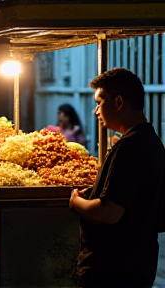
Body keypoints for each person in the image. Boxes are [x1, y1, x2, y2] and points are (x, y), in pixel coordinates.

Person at [69, 68, 165, 288]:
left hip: (113, 270)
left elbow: (109, 212)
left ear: (119, 102)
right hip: (137, 264)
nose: (96, 111)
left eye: (99, 102)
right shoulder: (150, 141)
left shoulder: (131, 146)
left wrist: (76, 201)